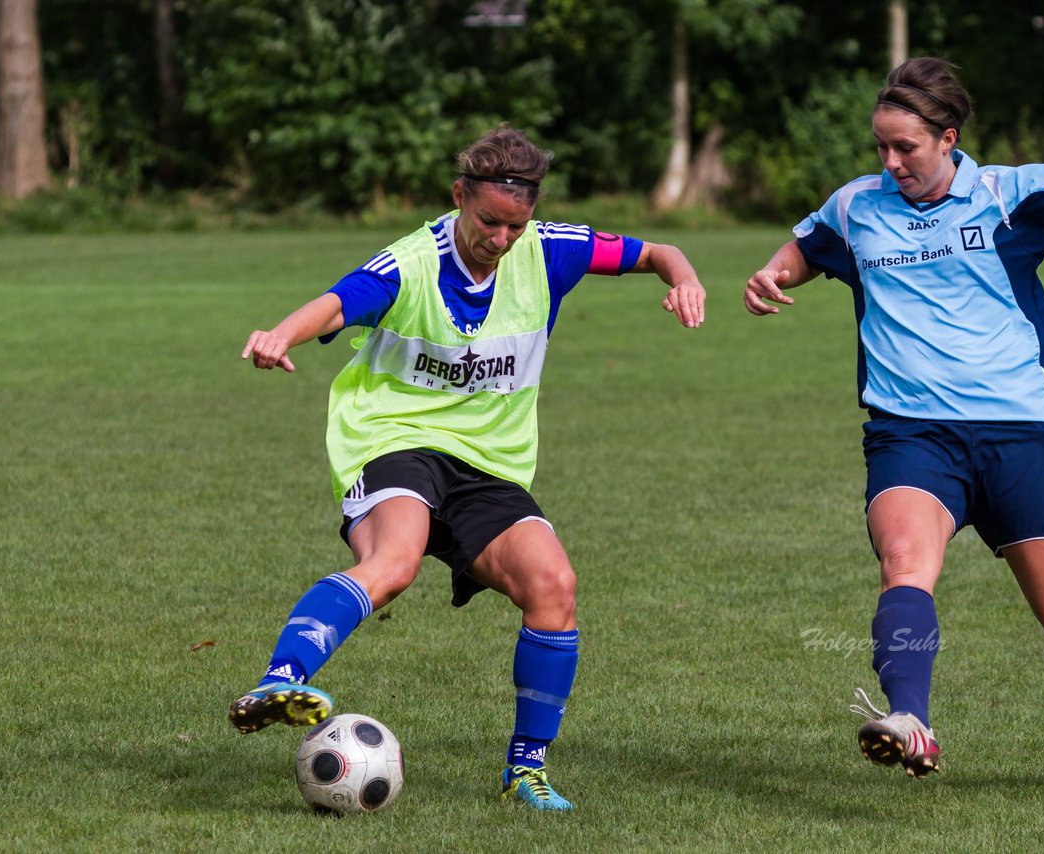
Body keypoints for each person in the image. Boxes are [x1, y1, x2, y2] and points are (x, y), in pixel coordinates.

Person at [232, 125, 706, 811]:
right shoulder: (411, 264)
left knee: (555, 586)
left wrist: (685, 278)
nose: (503, 238)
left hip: (489, 465)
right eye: (488, 221)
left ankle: (526, 772)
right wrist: (279, 334)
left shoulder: (550, 251)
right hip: (395, 440)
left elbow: (659, 251)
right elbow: (337, 302)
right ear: (459, 197)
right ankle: (280, 678)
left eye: (517, 224)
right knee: (393, 564)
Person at [744, 58, 1044, 787]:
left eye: (906, 148)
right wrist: (773, 274)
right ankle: (911, 721)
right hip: (911, 433)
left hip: (1018, 432)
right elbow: (805, 249)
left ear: (948, 138)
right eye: (881, 147)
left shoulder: (1008, 195)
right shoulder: (856, 206)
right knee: (904, 566)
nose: (890, 162)